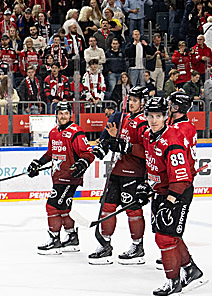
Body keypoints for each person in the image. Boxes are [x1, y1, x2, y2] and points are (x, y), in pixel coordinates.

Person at [141, 96, 204, 296]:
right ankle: (190, 269)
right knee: (169, 235)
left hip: (177, 193)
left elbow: (181, 177)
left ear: (166, 116)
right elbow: (153, 165)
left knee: (165, 237)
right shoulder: (148, 136)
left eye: (158, 116)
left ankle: (173, 283)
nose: (153, 120)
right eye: (150, 116)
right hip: (162, 192)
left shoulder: (172, 140)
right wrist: (146, 185)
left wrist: (170, 202)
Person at [89, 85, 150, 265]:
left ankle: (137, 246)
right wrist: (110, 141)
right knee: (107, 207)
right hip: (116, 170)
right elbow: (113, 138)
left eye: (135, 100)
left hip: (134, 172)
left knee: (132, 210)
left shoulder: (145, 123)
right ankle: (105, 244)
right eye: (130, 100)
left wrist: (124, 146)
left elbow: (147, 150)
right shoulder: (123, 118)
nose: (131, 103)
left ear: (143, 103)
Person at [26, 101, 95, 255]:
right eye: (60, 113)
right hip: (58, 177)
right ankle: (72, 237)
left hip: (70, 177)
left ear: (70, 114)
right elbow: (51, 153)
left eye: (66, 113)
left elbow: (88, 153)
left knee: (52, 206)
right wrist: (38, 163)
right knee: (64, 208)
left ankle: (54, 240)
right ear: (56, 115)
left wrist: (82, 163)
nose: (63, 116)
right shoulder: (53, 132)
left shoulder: (76, 132)